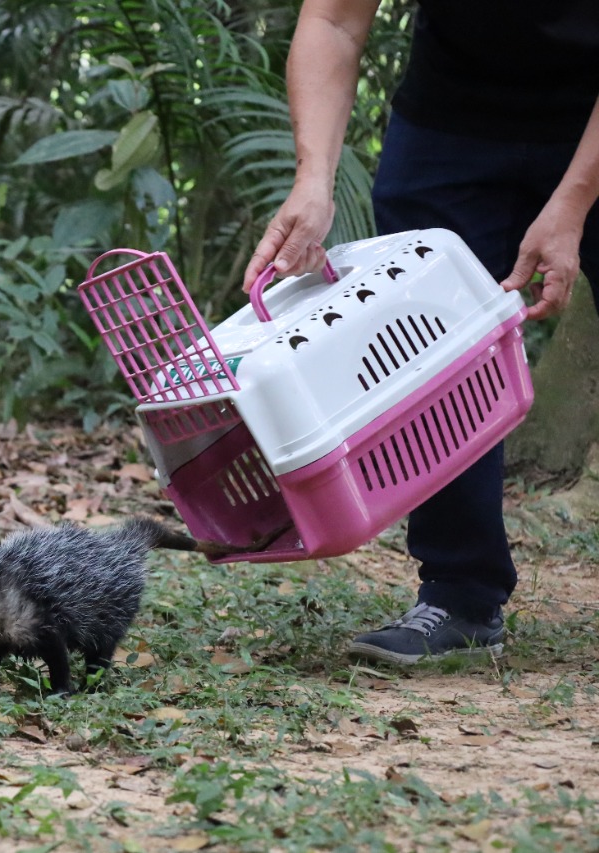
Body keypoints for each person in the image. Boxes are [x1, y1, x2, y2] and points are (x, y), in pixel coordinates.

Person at [244, 0, 599, 665]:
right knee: (430, 344)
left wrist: (572, 203)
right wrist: (313, 180)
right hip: (452, 116)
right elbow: (332, 22)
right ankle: (460, 593)